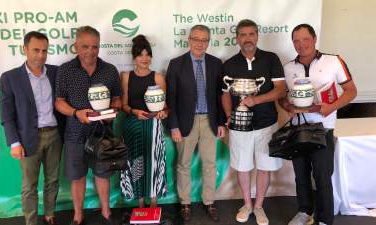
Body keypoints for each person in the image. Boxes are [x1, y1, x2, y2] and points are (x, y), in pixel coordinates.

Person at [280, 24, 357, 225]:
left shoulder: (333, 61)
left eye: (305, 39)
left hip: (324, 128)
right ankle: (304, 211)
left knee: (322, 175)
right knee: (300, 174)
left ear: (314, 38)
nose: (301, 44)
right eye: (296, 40)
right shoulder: (288, 68)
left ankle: (324, 219)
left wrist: (330, 107)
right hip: (298, 128)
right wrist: (286, 105)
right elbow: (282, 97)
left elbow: (351, 91)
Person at [221, 19, 286, 225]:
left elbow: (281, 89)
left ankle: (259, 207)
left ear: (257, 36)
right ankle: (247, 204)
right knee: (242, 167)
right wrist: (230, 114)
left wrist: (256, 99)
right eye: (242, 35)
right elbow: (224, 94)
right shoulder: (229, 64)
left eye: (251, 34)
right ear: (237, 38)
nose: (247, 38)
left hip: (267, 123)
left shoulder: (271, 59)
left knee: (264, 167)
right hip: (240, 126)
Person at [55, 26, 122, 225]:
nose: (90, 51)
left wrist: (112, 112)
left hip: (103, 133)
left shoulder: (110, 70)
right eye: (85, 46)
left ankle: (106, 213)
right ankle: (78, 216)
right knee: (78, 177)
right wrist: (76, 113)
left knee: (103, 175)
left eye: (95, 47)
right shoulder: (65, 70)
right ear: (75, 46)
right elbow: (59, 102)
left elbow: (117, 98)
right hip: (75, 133)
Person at [0, 31, 64, 225]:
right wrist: (14, 143)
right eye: (36, 50)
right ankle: (31, 221)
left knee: (53, 180)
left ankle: (50, 214)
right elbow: (6, 114)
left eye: (44, 51)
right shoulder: (10, 78)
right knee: (29, 186)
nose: (41, 55)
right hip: (27, 139)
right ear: (25, 49)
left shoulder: (55, 72)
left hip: (54, 135)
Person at [166, 24, 225, 222]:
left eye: (204, 40)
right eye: (196, 39)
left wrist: (221, 122)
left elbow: (219, 96)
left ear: (208, 42)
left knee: (210, 164)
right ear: (189, 40)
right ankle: (185, 203)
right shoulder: (176, 64)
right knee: (183, 164)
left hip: (210, 120)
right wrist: (173, 126)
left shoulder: (217, 63)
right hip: (184, 123)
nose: (200, 43)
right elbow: (171, 98)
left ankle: (209, 201)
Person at [119, 35, 167, 208]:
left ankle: (153, 203)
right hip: (133, 125)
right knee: (137, 162)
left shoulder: (158, 78)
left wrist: (163, 113)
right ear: (134, 58)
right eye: (141, 55)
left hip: (153, 126)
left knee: (153, 163)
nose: (145, 59)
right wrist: (134, 111)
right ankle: (139, 203)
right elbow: (123, 105)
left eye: (148, 55)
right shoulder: (125, 77)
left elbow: (166, 107)